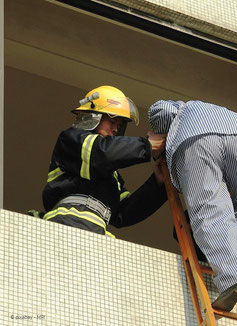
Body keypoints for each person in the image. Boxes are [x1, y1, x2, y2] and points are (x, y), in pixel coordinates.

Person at [147, 99, 237, 313]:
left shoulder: (182, 107)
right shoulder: (226, 112)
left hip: (197, 138)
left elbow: (161, 111)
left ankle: (234, 277)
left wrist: (161, 136)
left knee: (209, 209)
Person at [41, 85, 167, 237]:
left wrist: (157, 184)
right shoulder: (72, 140)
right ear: (94, 115)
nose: (115, 129)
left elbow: (123, 212)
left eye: (119, 126)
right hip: (66, 225)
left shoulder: (110, 173)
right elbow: (100, 154)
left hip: (97, 232)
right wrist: (146, 146)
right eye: (112, 121)